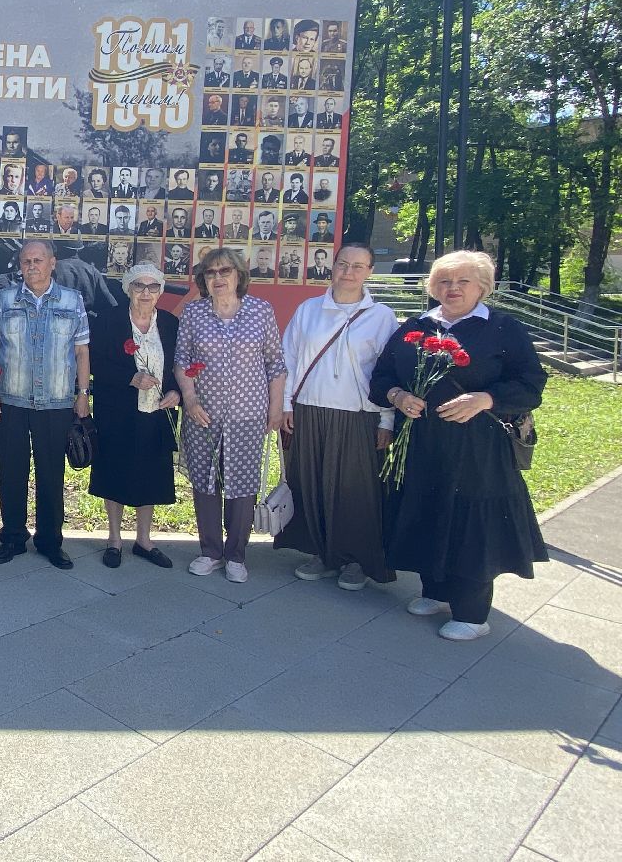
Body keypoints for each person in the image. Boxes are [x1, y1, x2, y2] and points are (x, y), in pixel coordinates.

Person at [369, 250, 547, 640]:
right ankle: (435, 589)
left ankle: (472, 611)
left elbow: (531, 383)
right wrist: (398, 395)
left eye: (463, 281)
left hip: (477, 449)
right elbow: (380, 377)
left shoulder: (501, 329)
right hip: (422, 443)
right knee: (428, 510)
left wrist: (485, 399)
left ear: (482, 286)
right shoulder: (415, 326)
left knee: (469, 521)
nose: (452, 289)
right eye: (444, 282)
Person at [272, 244, 396, 590]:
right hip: (310, 410)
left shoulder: (382, 316)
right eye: (343, 264)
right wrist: (286, 405)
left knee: (356, 491)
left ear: (370, 271)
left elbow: (388, 373)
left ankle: (356, 558)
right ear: (332, 267)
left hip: (359, 416)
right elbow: (289, 359)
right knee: (311, 483)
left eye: (358, 266)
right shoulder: (310, 309)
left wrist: (386, 420)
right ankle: (323, 553)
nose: (348, 272)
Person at [174, 247, 285, 583]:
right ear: (202, 280)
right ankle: (210, 551)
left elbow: (275, 364)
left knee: (242, 485)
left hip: (247, 414)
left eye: (225, 271)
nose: (218, 278)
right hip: (203, 415)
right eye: (211, 273)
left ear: (239, 276)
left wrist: (276, 409)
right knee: (205, 482)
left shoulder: (260, 311)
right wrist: (190, 401)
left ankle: (236, 555)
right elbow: (181, 362)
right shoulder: (193, 314)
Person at [0, 241, 90, 569]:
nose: (32, 266)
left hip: (57, 403)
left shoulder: (72, 301)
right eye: (26, 261)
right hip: (12, 401)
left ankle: (49, 541)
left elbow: (82, 351)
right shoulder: (5, 300)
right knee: (11, 473)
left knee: (51, 475)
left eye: (38, 260)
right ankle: (13, 538)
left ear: (52, 263)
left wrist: (83, 393)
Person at [89, 263, 181, 569]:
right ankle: (114, 540)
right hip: (116, 411)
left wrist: (176, 393)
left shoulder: (169, 323)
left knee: (151, 474)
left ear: (160, 292)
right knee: (114, 469)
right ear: (128, 289)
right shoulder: (109, 320)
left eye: (152, 287)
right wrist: (130, 378)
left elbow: (177, 367)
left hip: (156, 413)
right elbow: (95, 365)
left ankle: (144, 540)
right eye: (138, 286)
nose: (145, 292)